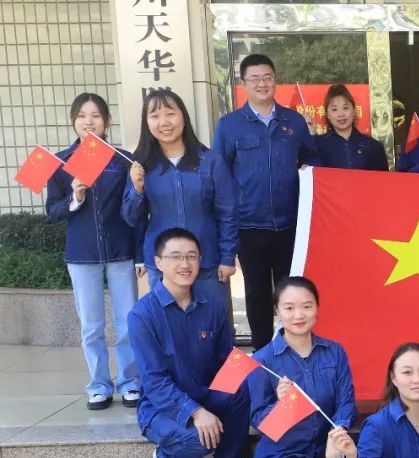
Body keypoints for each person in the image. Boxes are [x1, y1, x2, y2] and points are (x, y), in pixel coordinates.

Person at [128, 228, 256, 458]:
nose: (185, 264)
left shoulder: (213, 306)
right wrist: (195, 412)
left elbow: (227, 362)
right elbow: (155, 383)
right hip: (161, 407)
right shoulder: (142, 315)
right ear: (158, 262)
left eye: (191, 256)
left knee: (243, 378)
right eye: (176, 257)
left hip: (206, 394)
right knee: (198, 439)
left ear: (200, 261)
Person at [211, 53, 320, 349]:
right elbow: (219, 176)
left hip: (289, 226)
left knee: (291, 294)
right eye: (255, 78)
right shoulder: (229, 125)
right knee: (257, 294)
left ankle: (292, 350)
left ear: (275, 80)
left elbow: (312, 161)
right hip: (249, 227)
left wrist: (308, 168)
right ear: (244, 84)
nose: (262, 83)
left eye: (267, 77)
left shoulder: (294, 122)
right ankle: (262, 355)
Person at [45, 93, 141, 412]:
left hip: (120, 250)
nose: (89, 121)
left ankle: (129, 382)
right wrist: (75, 197)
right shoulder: (61, 163)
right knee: (91, 326)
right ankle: (99, 385)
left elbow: (135, 210)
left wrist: (140, 252)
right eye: (82, 116)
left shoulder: (123, 160)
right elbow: (53, 211)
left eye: (96, 115)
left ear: (107, 121)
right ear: (74, 121)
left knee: (128, 322)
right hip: (82, 254)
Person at [248, 276, 357, 458]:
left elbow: (346, 402)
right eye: (289, 308)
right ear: (277, 310)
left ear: (317, 308)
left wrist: (336, 434)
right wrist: (281, 405)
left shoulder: (334, 352)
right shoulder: (263, 361)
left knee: (363, 456)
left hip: (322, 448)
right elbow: (259, 421)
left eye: (306, 306)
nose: (299, 315)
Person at [123, 89, 239, 309]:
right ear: (146, 123)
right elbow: (131, 218)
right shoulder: (141, 164)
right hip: (163, 266)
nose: (164, 122)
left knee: (212, 324)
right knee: (168, 324)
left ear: (183, 117)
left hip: (207, 263)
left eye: (170, 113)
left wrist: (227, 257)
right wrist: (136, 189)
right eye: (155, 116)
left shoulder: (210, 160)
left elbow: (228, 213)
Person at [313, 84, 389, 171]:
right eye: (334, 109)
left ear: (354, 111)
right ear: (327, 115)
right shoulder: (317, 145)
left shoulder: (373, 146)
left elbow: (383, 179)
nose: (341, 114)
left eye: (345, 108)